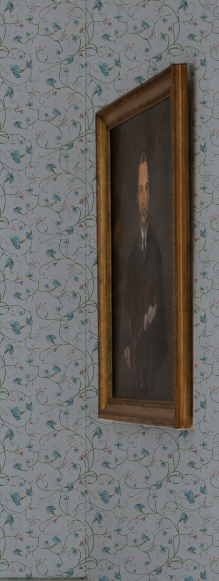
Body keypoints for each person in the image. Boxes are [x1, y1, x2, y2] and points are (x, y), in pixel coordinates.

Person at [122, 149, 168, 399]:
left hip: (153, 352)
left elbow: (158, 304)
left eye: (147, 188)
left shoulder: (156, 246)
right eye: (140, 189)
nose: (143, 196)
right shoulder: (131, 252)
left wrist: (142, 331)